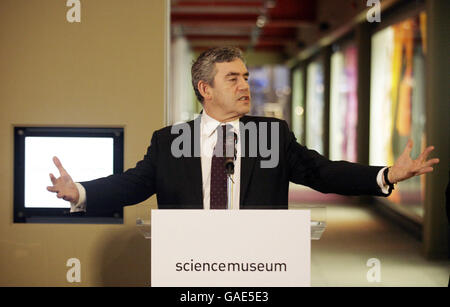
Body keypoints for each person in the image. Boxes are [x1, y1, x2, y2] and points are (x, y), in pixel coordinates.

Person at [46, 47, 439, 212]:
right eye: (232, 78)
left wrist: (384, 175)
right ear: (205, 89)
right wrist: (80, 190)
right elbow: (134, 184)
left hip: (260, 266)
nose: (245, 86)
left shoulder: (273, 134)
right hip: (190, 266)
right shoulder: (168, 142)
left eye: (246, 77)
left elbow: (320, 172)